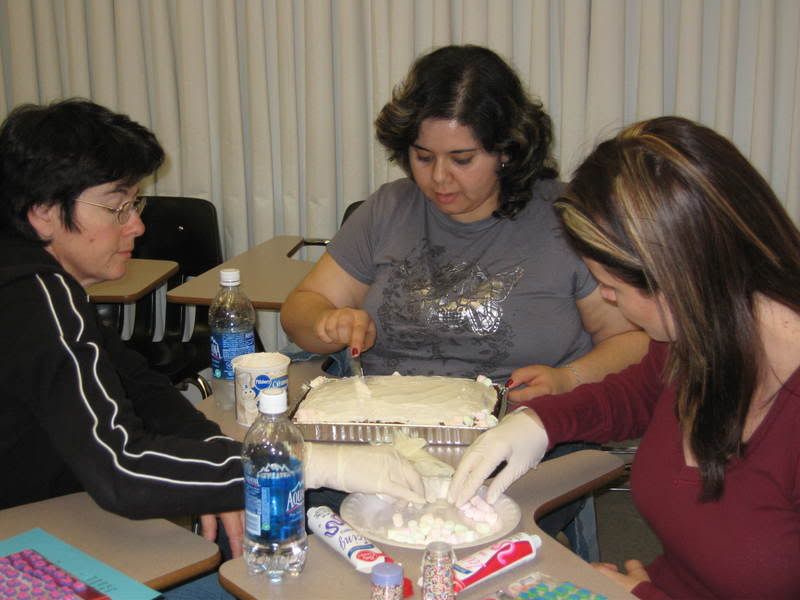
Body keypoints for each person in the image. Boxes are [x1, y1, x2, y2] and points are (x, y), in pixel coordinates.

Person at [0, 98, 428, 580]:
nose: (136, 225)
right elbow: (123, 467)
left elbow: (141, 387)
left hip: (50, 514)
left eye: (134, 204)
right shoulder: (35, 295)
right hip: (25, 538)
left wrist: (220, 476)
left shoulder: (37, 282)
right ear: (42, 213)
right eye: (118, 207)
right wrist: (312, 463)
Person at [280, 44, 649, 558]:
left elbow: (634, 341)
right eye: (423, 157)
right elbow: (301, 308)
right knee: (316, 515)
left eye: (462, 159)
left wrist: (569, 379)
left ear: (506, 150)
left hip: (521, 441)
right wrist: (327, 321)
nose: (437, 179)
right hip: (384, 439)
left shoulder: (562, 218)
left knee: (468, 534)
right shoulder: (388, 209)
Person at [448, 116, 800, 599]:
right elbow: (643, 392)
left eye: (611, 288)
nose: (607, 301)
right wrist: (538, 423)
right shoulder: (705, 336)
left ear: (679, 280)